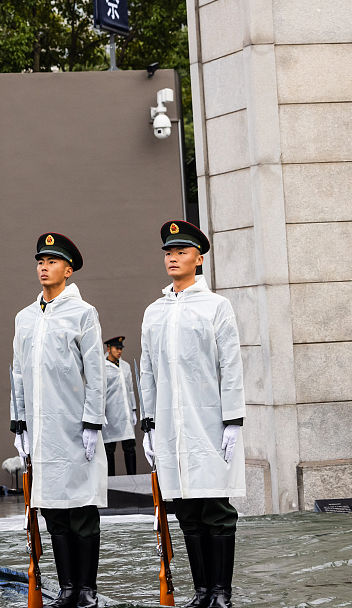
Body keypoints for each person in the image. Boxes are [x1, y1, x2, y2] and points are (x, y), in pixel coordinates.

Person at [139, 221, 244, 608]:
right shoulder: (154, 311)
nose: (172, 257)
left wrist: (233, 420)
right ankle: (201, 592)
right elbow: (147, 370)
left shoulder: (216, 306)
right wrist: (148, 423)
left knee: (215, 508)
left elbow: (230, 365)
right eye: (168, 251)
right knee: (186, 509)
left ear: (198, 259)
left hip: (210, 422)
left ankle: (221, 592)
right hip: (169, 425)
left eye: (181, 252)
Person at [11, 234, 106, 608]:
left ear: (68, 270)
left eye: (51, 262)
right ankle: (67, 588)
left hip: (73, 425)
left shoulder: (83, 313)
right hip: (40, 429)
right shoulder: (25, 317)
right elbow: (17, 373)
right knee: (52, 511)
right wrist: (18, 423)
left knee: (81, 510)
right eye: (40, 261)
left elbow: (96, 373)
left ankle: (86, 589)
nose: (43, 267)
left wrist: (92, 423)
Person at [101, 336, 138, 477]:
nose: (119, 351)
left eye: (121, 349)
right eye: (117, 348)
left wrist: (133, 409)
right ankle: (110, 483)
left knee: (129, 447)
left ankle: (133, 478)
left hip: (125, 412)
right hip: (110, 413)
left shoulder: (125, 366)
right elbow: (100, 391)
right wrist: (100, 412)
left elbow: (130, 389)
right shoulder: (102, 367)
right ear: (109, 348)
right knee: (109, 448)